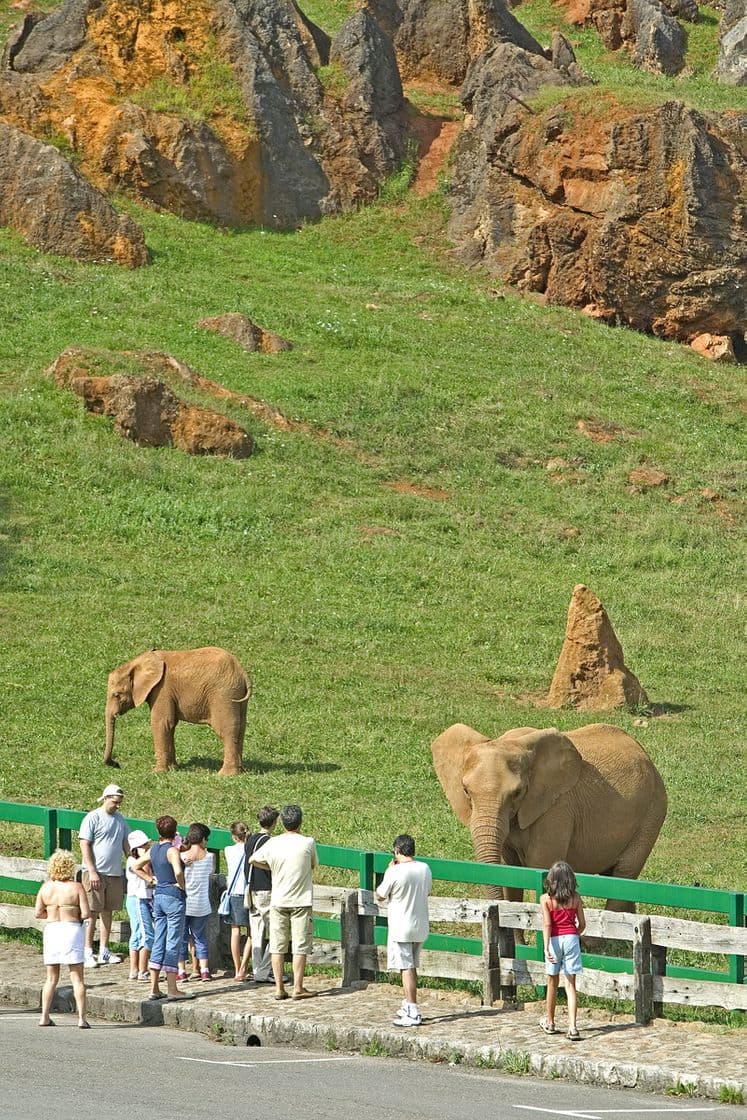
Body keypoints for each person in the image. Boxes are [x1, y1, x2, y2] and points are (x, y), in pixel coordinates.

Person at [249, 803, 316, 1001]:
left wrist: (271, 867)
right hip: (301, 900)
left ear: (282, 823)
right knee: (299, 946)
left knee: (277, 945)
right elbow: (312, 865)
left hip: (278, 900)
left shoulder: (273, 843)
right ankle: (298, 987)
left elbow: (253, 859)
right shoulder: (307, 842)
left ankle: (279, 988)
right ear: (300, 822)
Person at [375, 833, 432, 1028]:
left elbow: (380, 895)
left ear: (397, 851)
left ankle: (413, 1009)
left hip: (402, 927)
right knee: (412, 966)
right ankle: (407, 1005)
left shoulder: (395, 872)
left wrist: (388, 871)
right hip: (421, 925)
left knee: (406, 968)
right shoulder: (425, 868)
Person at [34, 849, 91, 1028]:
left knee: (51, 978)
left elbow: (38, 913)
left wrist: (50, 914)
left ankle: (44, 1015)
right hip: (71, 928)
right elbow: (86, 913)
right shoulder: (76, 887)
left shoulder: (46, 888)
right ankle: (81, 1018)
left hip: (52, 929)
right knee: (77, 978)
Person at [78, 783, 129, 968]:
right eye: (115, 802)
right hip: (96, 873)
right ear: (106, 798)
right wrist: (91, 870)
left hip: (114, 873)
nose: (118, 805)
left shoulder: (120, 820)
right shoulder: (93, 817)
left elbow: (126, 843)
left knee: (108, 912)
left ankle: (104, 951)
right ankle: (87, 951)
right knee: (92, 913)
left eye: (120, 802)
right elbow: (84, 844)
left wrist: (133, 861)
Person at [539, 860, 586, 1041]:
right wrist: (574, 935)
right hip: (572, 938)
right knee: (570, 984)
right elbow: (582, 924)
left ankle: (550, 1022)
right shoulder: (576, 898)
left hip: (554, 940)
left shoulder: (546, 900)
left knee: (552, 982)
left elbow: (547, 924)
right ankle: (573, 1027)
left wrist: (546, 947)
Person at [148, 815, 192, 1001]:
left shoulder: (153, 850)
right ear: (175, 832)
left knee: (159, 939)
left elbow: (135, 866)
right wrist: (181, 885)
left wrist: (150, 879)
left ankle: (154, 987)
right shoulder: (172, 851)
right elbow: (178, 871)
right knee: (173, 940)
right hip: (173, 897)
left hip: (158, 895)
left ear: (158, 832)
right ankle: (172, 988)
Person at [239, 805, 279, 983]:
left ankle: (257, 969)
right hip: (266, 890)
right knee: (277, 932)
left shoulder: (251, 839)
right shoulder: (269, 841)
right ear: (274, 822)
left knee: (256, 933)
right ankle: (264, 970)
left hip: (251, 889)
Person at [179, 822, 214, 981]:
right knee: (200, 937)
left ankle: (181, 971)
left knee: (182, 937)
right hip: (202, 905)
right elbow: (211, 872)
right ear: (203, 839)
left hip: (184, 903)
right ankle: (204, 970)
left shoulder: (181, 857)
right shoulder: (210, 857)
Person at [125, 830, 155, 980]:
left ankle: (135, 970)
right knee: (146, 934)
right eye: (144, 846)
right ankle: (142, 970)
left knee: (137, 933)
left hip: (142, 899)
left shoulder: (144, 861)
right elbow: (142, 873)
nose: (147, 848)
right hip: (138, 899)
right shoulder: (133, 862)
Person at [224, 821, 251, 980]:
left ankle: (236, 967)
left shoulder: (228, 850)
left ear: (234, 836)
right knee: (251, 932)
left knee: (235, 930)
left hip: (233, 892)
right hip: (247, 892)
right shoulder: (249, 851)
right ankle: (243, 968)